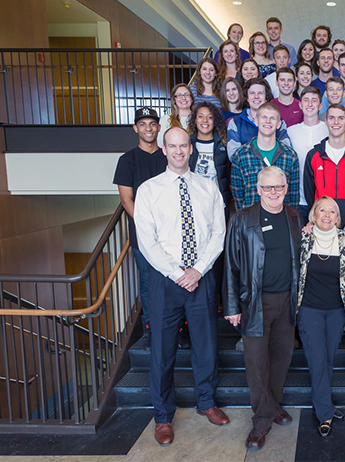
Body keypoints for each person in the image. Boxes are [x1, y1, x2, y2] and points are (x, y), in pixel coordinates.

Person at [134, 126, 228, 447]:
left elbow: (218, 233)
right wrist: (177, 272)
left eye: (183, 146)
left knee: (206, 345)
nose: (178, 151)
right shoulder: (148, 190)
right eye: (172, 146)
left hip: (201, 277)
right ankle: (162, 416)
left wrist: (198, 270)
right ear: (164, 150)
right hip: (165, 280)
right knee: (162, 350)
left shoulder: (207, 187)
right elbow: (147, 242)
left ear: (191, 149)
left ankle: (206, 401)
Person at [223, 166, 303, 451]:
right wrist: (232, 306)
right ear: (258, 190)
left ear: (285, 188)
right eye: (267, 188)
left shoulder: (295, 217)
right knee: (256, 363)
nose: (273, 193)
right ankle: (261, 421)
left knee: (281, 358)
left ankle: (272, 405)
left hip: (287, 301)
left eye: (278, 187)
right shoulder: (242, 220)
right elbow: (230, 267)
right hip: (255, 303)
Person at [297, 196, 345, 437]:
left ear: (338, 217)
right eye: (322, 210)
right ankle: (325, 414)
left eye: (332, 211)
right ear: (314, 214)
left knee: (329, 359)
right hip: (309, 309)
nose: (327, 215)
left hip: (336, 310)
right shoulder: (302, 238)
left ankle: (324, 403)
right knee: (317, 359)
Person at [113, 107, 167, 337]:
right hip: (142, 235)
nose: (148, 128)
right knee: (148, 282)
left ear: (158, 127)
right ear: (136, 128)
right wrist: (149, 226)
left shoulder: (168, 156)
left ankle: (177, 327)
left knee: (173, 280)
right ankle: (152, 329)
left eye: (152, 124)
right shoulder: (127, 160)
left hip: (171, 233)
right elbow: (127, 201)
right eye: (143, 124)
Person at [304, 104, 345, 223]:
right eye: (331, 118)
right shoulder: (313, 156)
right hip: (323, 220)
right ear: (326, 122)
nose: (336, 122)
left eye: (340, 118)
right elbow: (309, 191)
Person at [230, 102, 299, 210]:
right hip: (250, 222)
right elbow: (238, 195)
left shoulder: (290, 155)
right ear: (256, 121)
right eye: (264, 117)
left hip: (281, 221)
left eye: (272, 118)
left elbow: (293, 196)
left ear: (279, 124)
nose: (268, 121)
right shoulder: (241, 155)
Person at [287, 86, 328, 220]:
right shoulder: (290, 131)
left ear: (321, 105)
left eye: (314, 100)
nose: (310, 104)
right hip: (297, 201)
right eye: (306, 100)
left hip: (323, 200)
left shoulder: (329, 130)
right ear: (300, 104)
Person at [226, 78, 291, 159]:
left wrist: (245, 148)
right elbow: (233, 156)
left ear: (266, 97)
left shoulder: (278, 122)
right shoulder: (235, 122)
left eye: (260, 93)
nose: (256, 96)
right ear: (247, 97)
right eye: (252, 93)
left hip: (273, 170)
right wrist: (269, 151)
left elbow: (287, 153)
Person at [187, 101, 232, 217]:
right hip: (194, 203)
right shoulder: (187, 144)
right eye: (200, 116)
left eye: (210, 117)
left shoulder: (223, 145)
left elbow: (228, 176)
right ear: (195, 120)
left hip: (218, 203)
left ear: (215, 121)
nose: (205, 121)